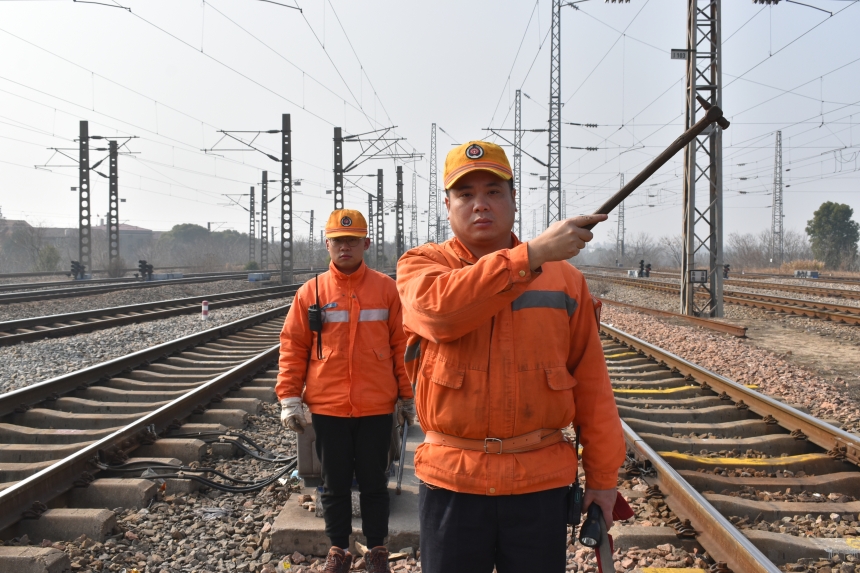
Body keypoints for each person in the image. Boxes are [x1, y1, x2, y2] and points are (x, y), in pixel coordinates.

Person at [396, 141, 626, 573]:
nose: (480, 205)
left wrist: (602, 478)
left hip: (538, 484)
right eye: (465, 195)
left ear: (513, 200)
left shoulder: (565, 281)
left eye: (494, 192)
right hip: (453, 480)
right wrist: (530, 256)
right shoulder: (422, 266)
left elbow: (593, 386)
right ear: (447, 206)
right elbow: (439, 313)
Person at [277, 209, 415, 573]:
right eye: (338, 241)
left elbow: (402, 346)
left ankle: (378, 550)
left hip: (375, 406)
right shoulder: (312, 292)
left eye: (352, 241)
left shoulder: (386, 289)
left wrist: (407, 395)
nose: (345, 247)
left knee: (374, 484)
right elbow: (293, 346)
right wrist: (289, 398)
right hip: (329, 407)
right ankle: (338, 549)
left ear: (366, 243)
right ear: (327, 245)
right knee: (333, 485)